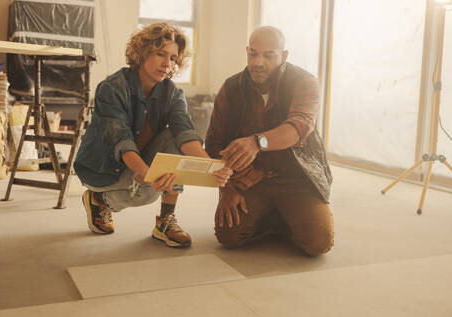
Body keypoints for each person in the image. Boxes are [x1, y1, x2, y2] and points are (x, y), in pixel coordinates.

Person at [74, 23, 232, 248]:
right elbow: (123, 142)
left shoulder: (173, 93)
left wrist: (212, 167)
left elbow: (185, 134)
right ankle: (99, 199)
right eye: (160, 54)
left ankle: (165, 221)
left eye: (173, 58)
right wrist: (147, 174)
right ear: (143, 52)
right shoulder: (112, 88)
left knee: (175, 143)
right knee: (146, 193)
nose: (167, 64)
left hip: (137, 158)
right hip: (104, 167)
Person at [205, 26, 334, 256]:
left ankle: (286, 217)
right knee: (229, 237)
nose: (258, 62)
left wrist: (256, 143)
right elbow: (214, 143)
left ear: (284, 56)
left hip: (297, 178)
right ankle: (272, 219)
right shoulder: (231, 88)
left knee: (318, 243)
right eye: (253, 54)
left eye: (268, 55)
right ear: (246, 52)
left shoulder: (304, 82)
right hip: (251, 179)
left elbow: (298, 128)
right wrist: (227, 188)